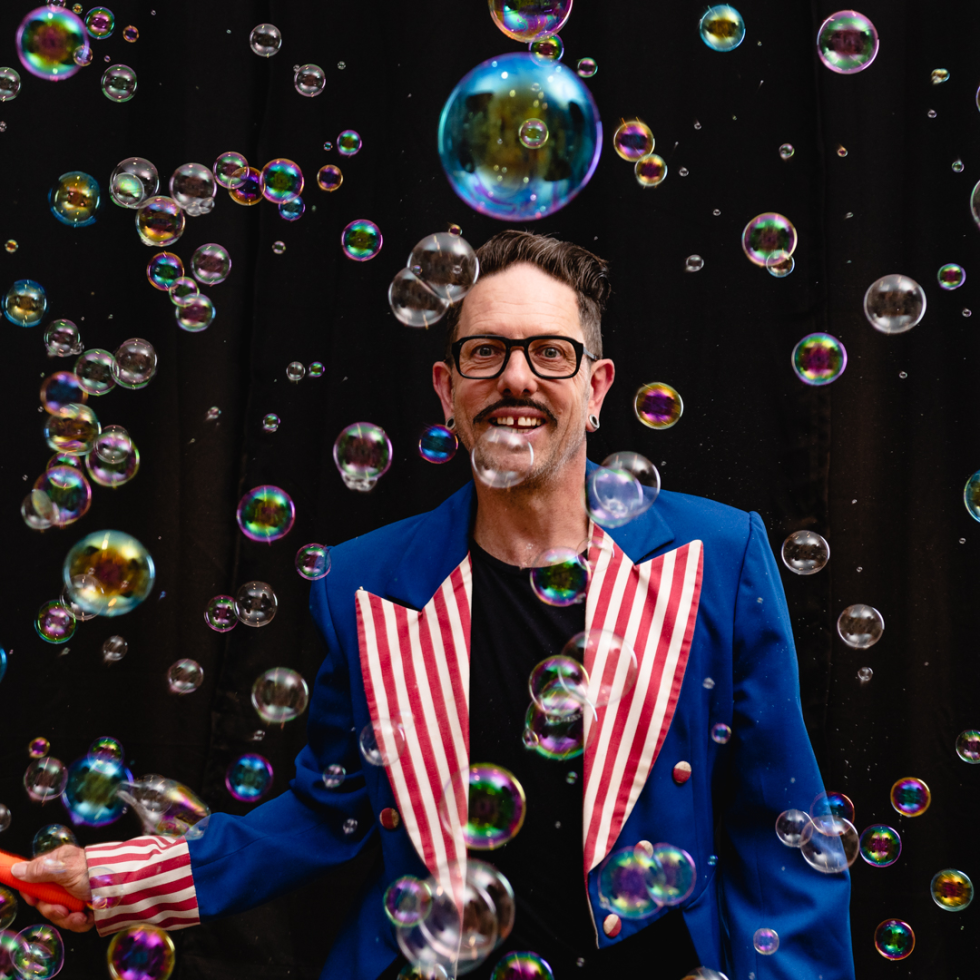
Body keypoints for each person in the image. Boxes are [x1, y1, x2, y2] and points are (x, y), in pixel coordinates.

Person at [13, 231, 856, 980]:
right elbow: (325, 813)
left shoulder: (718, 556)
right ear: (447, 391)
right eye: (486, 352)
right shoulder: (363, 583)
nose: (516, 378)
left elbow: (786, 829)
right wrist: (120, 880)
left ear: (597, 389)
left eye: (550, 353)